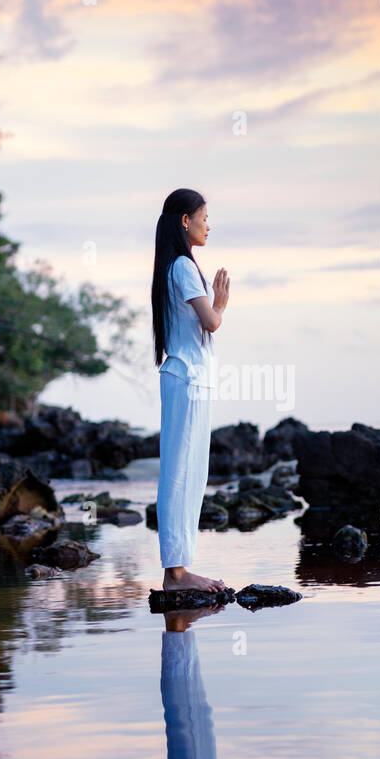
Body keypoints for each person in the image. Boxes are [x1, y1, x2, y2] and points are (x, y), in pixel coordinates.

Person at [151, 188, 230, 592]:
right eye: (203, 217)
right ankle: (176, 574)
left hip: (190, 378)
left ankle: (180, 569)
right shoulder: (182, 266)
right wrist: (221, 302)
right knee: (181, 473)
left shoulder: (177, 266)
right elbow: (211, 322)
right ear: (186, 220)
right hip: (186, 378)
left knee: (191, 473)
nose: (207, 225)